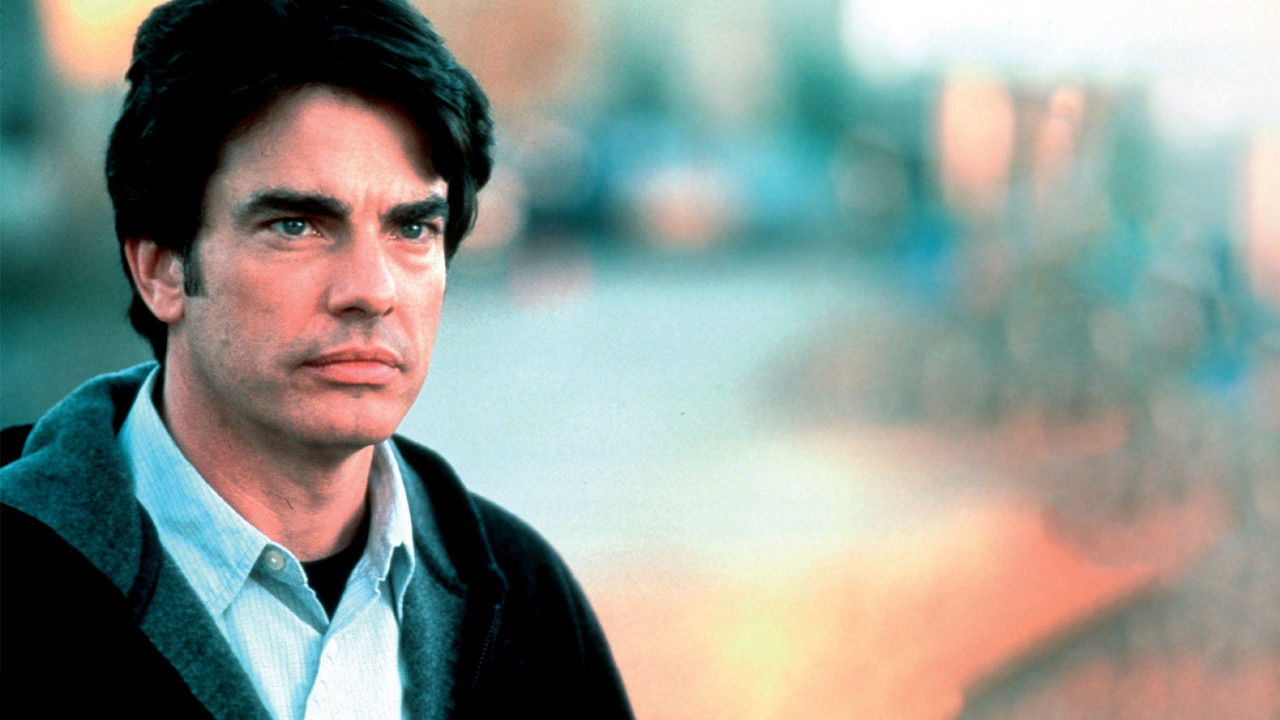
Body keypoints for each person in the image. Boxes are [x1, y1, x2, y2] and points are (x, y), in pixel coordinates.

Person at [0, 1, 633, 718]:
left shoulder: (527, 601)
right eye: (296, 225)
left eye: (413, 229)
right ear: (161, 269)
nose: (371, 291)